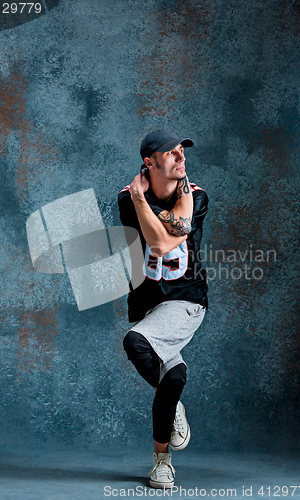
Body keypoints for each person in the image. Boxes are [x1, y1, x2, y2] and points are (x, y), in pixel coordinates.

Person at [118, 129, 208, 489]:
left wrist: (143, 201)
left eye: (181, 151)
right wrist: (138, 200)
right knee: (173, 380)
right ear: (149, 162)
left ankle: (170, 415)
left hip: (186, 299)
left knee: (135, 342)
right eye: (171, 153)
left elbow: (161, 241)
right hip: (149, 303)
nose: (181, 157)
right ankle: (161, 461)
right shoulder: (126, 199)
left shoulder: (196, 196)